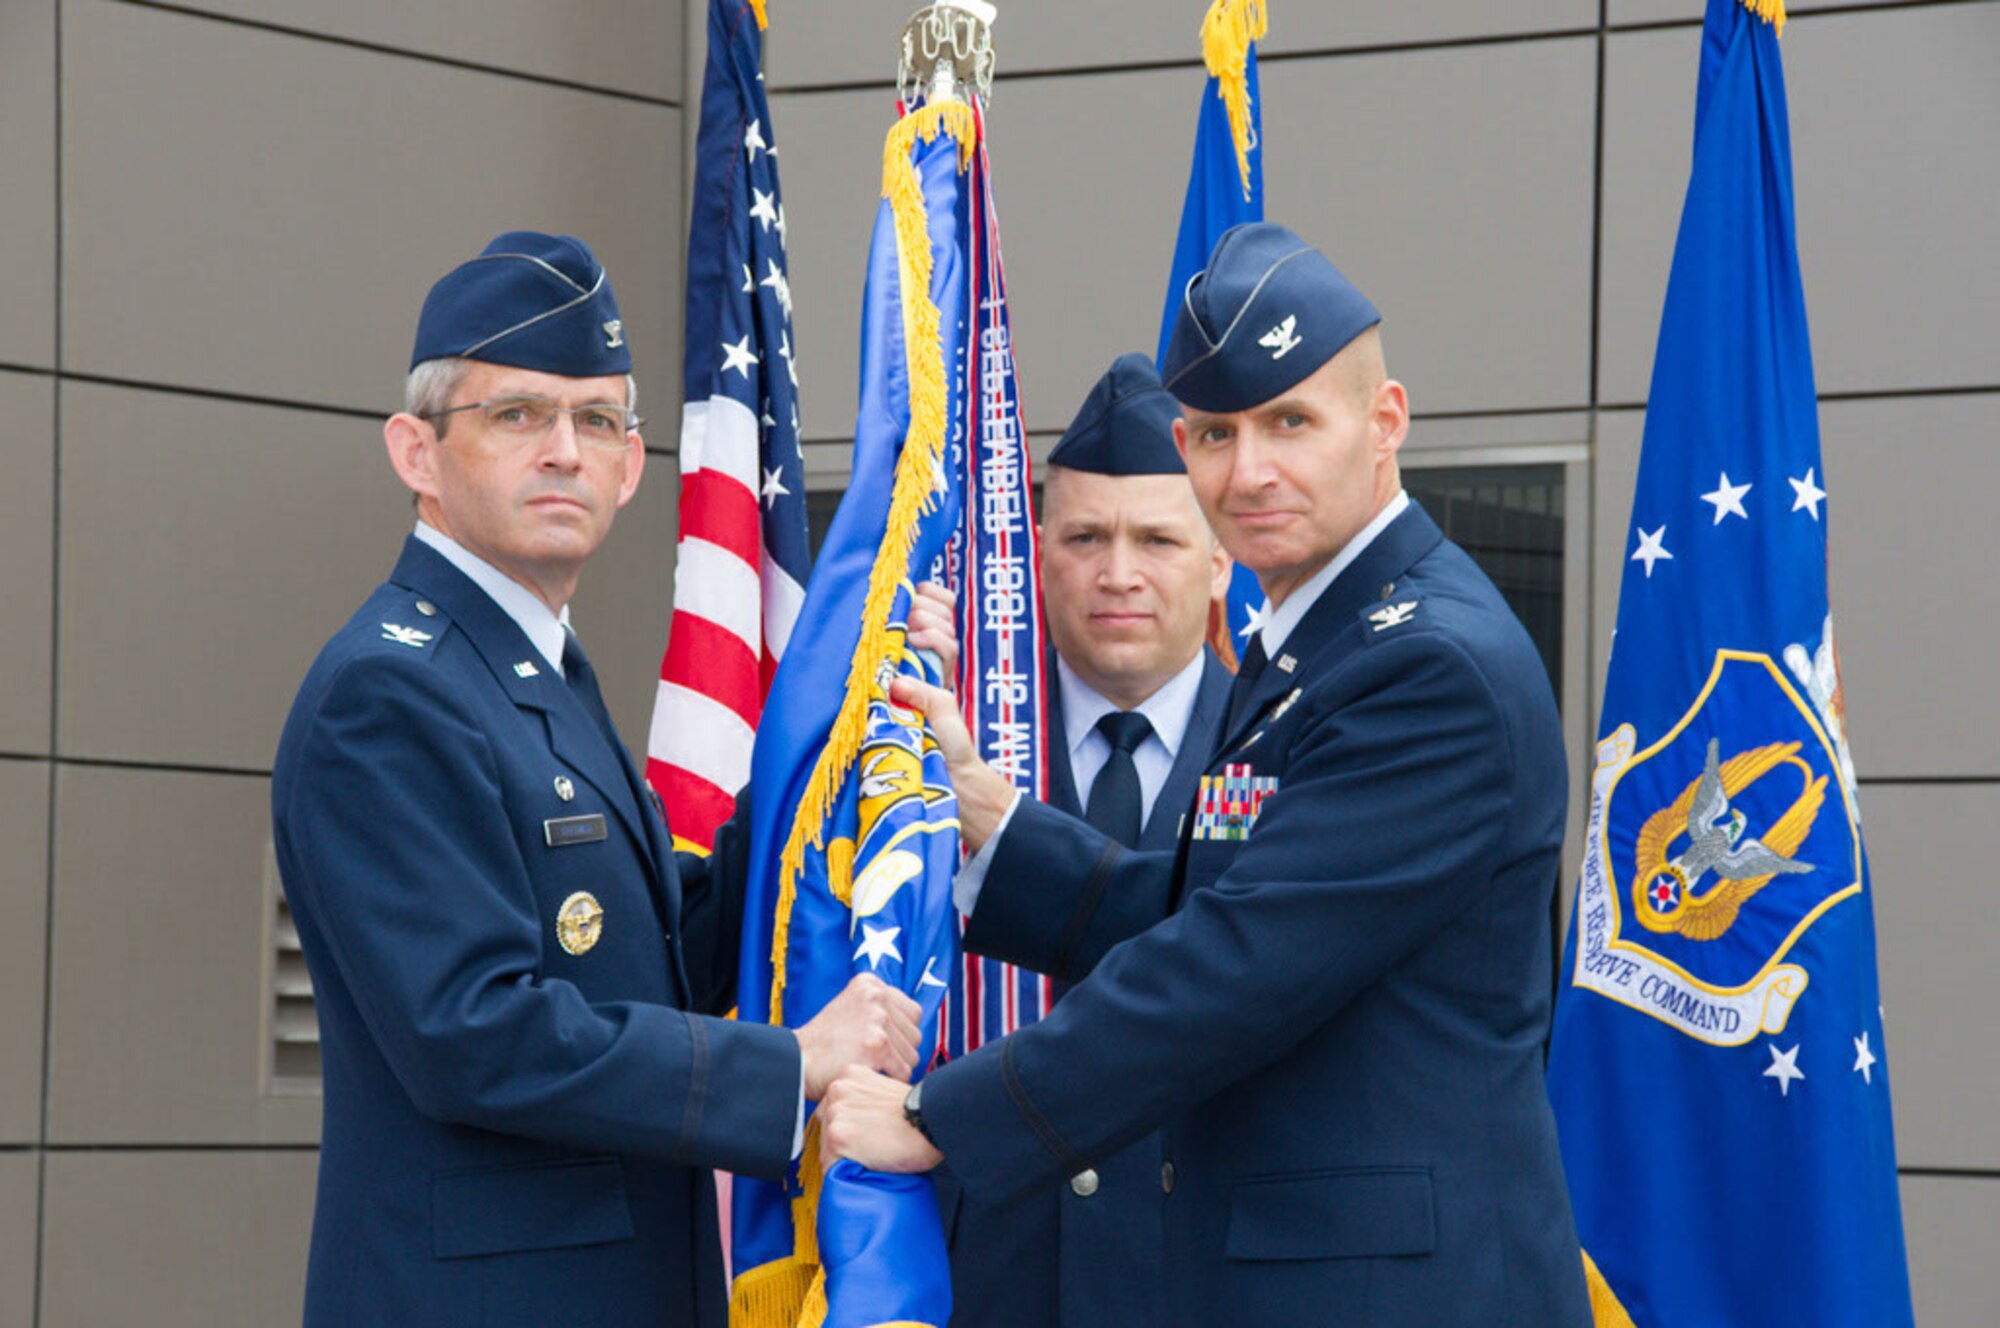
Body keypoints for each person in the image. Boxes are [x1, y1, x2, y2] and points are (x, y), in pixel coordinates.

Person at [820, 222, 1591, 1326]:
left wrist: (945, 1116)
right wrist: (997, 828)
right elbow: (1215, 903)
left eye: (1290, 422)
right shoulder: (1314, 637)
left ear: (1384, 424)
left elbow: (1238, 962)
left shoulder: (1425, 664)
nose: (1250, 469)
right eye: (1217, 432)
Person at [270, 231, 922, 1328]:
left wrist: (836, 727)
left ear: (630, 467)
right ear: (415, 452)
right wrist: (787, 1063)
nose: (564, 450)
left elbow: (656, 957)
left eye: (597, 419)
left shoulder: (536, 668)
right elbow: (472, 1034)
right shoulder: (387, 693)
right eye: (516, 415)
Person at [941, 354, 1233, 1328]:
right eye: (1083, 535)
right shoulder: (948, 751)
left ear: (1220, 555)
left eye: (1156, 536)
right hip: (988, 1274)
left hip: (1205, 1275)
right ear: (1033, 548)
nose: (1118, 572)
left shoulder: (1288, 748)